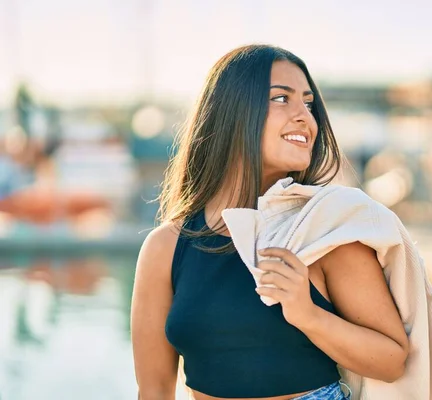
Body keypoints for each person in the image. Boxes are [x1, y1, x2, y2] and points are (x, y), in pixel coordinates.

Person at [131, 44, 408, 400]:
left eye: (308, 104)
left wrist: (306, 313)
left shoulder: (325, 227)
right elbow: (153, 389)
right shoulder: (166, 247)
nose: (305, 118)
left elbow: (391, 360)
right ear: (231, 111)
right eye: (281, 98)